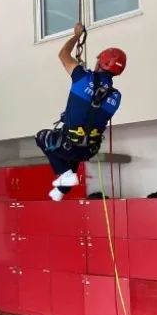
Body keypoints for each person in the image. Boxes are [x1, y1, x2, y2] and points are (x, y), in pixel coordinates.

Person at [35, 22, 125, 201]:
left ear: (101, 62)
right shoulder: (116, 96)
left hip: (70, 146)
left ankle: (66, 176)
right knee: (73, 144)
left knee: (42, 137)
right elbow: (93, 104)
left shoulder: (82, 77)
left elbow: (63, 55)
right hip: (88, 150)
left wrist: (76, 35)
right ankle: (62, 188)